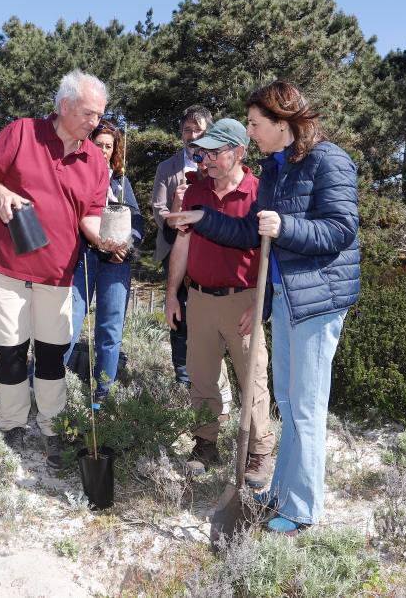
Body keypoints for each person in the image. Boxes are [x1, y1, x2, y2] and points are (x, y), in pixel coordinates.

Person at [166, 81, 360, 535]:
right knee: (289, 402)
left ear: (282, 121)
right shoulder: (278, 169)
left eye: (255, 124)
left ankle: (302, 509)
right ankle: (283, 493)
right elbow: (253, 233)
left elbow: (341, 229)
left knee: (305, 407)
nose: (250, 133)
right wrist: (203, 218)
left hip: (317, 300)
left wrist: (285, 226)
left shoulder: (329, 160)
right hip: (288, 297)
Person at [0, 70, 124, 469]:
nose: (96, 122)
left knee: (53, 354)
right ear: (65, 105)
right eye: (89, 113)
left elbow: (90, 216)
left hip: (58, 272)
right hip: (6, 264)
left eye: (100, 114)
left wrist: (104, 240)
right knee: (10, 350)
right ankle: (12, 423)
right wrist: (1, 192)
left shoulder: (95, 160)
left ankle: (53, 426)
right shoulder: (22, 132)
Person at [164, 119, 275, 487]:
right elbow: (181, 245)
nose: (206, 159)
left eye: (214, 152)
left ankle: (259, 451)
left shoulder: (260, 193)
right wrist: (172, 295)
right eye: (203, 152)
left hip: (243, 299)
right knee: (201, 376)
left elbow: (271, 255)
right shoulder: (195, 193)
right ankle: (205, 444)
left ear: (239, 152)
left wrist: (259, 304)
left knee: (252, 378)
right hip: (199, 298)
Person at [63, 120, 143, 399]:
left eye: (109, 146)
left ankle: (103, 393)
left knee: (110, 329)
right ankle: (46, 385)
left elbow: (136, 220)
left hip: (116, 263)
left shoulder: (121, 183)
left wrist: (127, 246)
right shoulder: (75, 173)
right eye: (99, 145)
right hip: (82, 258)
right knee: (67, 324)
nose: (104, 151)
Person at [150, 106, 213, 386]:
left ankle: (208, 376)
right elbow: (158, 212)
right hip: (175, 248)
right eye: (187, 130)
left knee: (207, 312)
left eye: (198, 130)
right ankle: (183, 377)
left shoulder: (215, 163)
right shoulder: (167, 167)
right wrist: (177, 208)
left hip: (209, 249)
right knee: (179, 313)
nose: (192, 135)